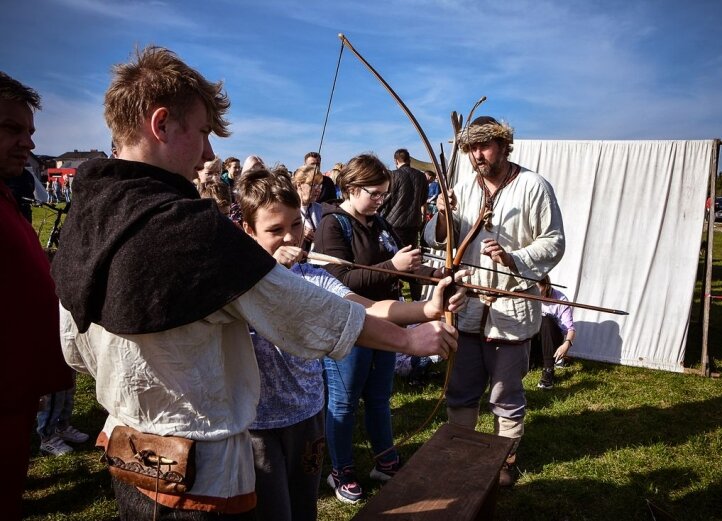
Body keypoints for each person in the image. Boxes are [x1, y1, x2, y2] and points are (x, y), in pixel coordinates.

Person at [50, 46, 457, 520]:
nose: (208, 152)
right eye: (202, 132)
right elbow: (303, 311)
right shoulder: (191, 231)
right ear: (160, 125)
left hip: (125, 444)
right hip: (196, 467)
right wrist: (408, 339)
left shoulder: (89, 213)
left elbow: (74, 350)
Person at [235, 166, 466, 521]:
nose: (289, 238)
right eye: (274, 230)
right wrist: (267, 270)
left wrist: (428, 308)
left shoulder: (310, 275)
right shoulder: (237, 283)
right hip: (258, 426)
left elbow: (369, 308)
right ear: (248, 230)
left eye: (295, 225)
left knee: (304, 508)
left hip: (308, 414)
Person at [424, 115, 565, 487]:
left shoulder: (534, 186)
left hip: (511, 309)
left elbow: (554, 241)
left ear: (504, 145)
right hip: (467, 307)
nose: (476, 155)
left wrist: (514, 257)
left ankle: (505, 462)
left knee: (506, 396)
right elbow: (439, 239)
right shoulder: (464, 186)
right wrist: (441, 214)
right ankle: (462, 456)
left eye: (484, 146)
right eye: (470, 148)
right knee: (461, 392)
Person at [313, 153, 445, 504]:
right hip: (348, 328)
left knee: (378, 397)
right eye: (375, 193)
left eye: (384, 194)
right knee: (343, 403)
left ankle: (384, 461)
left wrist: (437, 276)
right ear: (352, 188)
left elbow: (403, 265)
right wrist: (392, 265)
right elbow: (338, 280)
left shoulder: (379, 222)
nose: (380, 200)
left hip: (385, 321)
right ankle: (340, 470)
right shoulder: (332, 225)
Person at [0, 70, 73, 520]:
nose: (27, 143)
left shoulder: (8, 200)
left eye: (29, 132)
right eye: (10, 128)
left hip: (17, 398)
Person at [380, 149, 429, 300]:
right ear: (409, 159)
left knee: (393, 262)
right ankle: (415, 297)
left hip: (393, 225)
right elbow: (422, 200)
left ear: (396, 161)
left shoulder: (394, 175)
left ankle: (394, 295)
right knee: (413, 261)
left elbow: (386, 199)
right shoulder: (421, 176)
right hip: (413, 224)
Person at [529, 275, 576, 390]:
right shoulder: (529, 295)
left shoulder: (561, 299)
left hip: (551, 340)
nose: (536, 294)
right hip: (533, 340)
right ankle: (530, 361)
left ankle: (548, 371)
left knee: (546, 319)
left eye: (538, 290)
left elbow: (570, 329)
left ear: (546, 286)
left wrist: (567, 344)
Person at [291, 163, 323, 251]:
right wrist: (298, 230)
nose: (318, 189)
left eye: (319, 185)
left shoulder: (321, 209)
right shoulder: (288, 208)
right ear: (299, 185)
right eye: (313, 185)